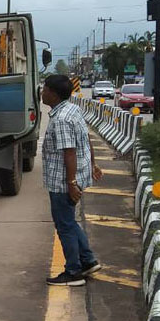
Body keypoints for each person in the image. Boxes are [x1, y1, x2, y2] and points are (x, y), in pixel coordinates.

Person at [41, 74, 103, 286]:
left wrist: (70, 183)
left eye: (45, 89)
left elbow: (70, 151)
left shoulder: (61, 119)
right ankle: (87, 260)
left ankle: (73, 272)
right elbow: (85, 139)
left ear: (54, 94)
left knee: (64, 225)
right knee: (69, 222)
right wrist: (93, 164)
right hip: (73, 177)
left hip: (63, 181)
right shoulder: (72, 109)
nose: (42, 92)